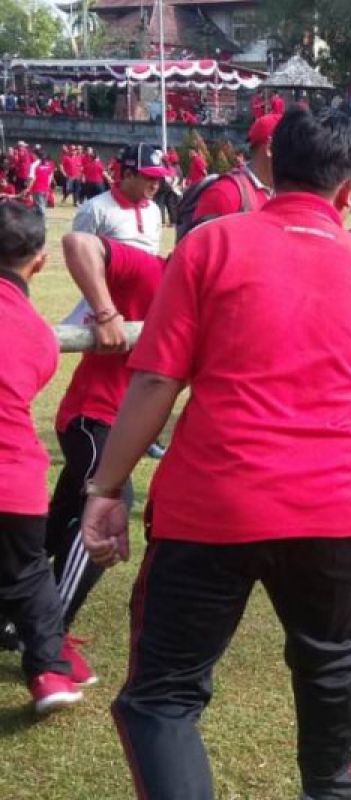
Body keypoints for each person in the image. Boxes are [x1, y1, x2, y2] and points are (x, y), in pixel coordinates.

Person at [79, 107, 351, 800]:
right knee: (329, 667)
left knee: (162, 699)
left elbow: (158, 379)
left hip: (210, 504)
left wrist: (105, 487)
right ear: (349, 192)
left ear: (273, 168)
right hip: (329, 511)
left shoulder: (210, 246)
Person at [44, 231, 168, 686]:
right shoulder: (150, 268)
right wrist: (106, 310)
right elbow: (77, 242)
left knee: (58, 524)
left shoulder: (209, 299)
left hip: (120, 426)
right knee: (109, 504)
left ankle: (17, 612)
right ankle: (49, 633)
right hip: (90, 417)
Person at [0, 204, 84, 715]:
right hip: (14, 478)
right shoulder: (37, 334)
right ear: (40, 262)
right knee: (30, 575)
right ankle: (49, 671)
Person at [72, 143, 169, 255]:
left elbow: (153, 253)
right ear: (128, 175)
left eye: (158, 179)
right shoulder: (94, 210)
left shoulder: (154, 210)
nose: (155, 185)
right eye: (150, 178)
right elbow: (80, 257)